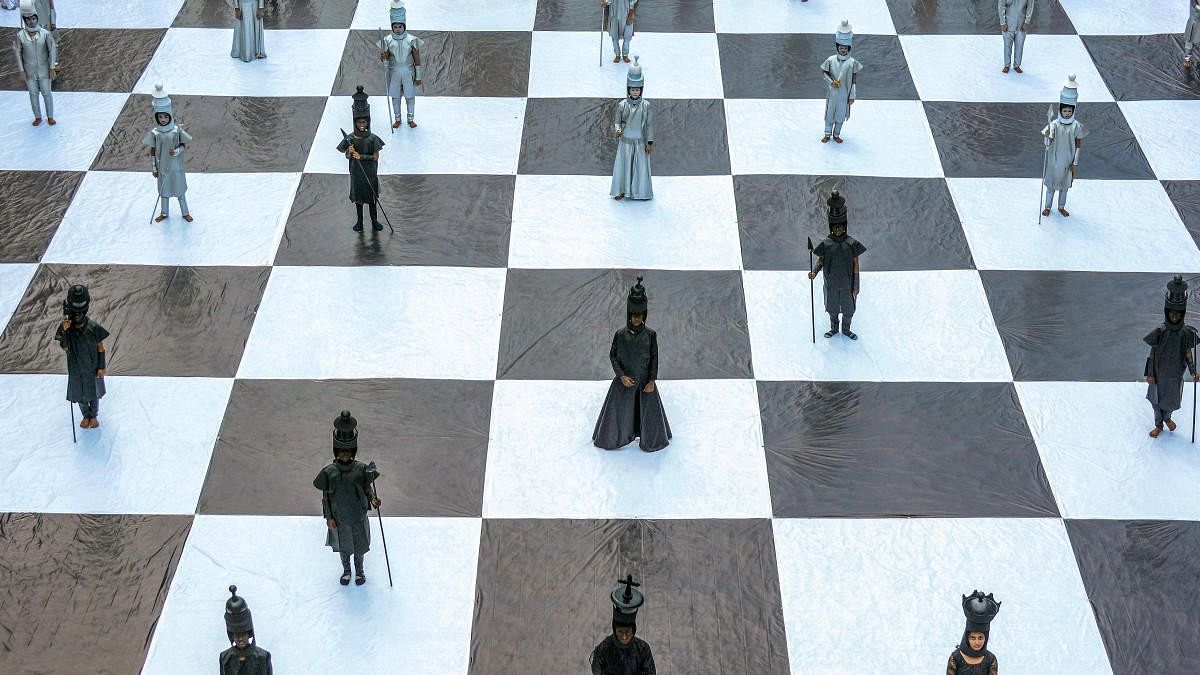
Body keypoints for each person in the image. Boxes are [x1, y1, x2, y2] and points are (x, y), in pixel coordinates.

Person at [593, 277, 672, 452]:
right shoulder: (620, 335)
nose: (636, 319)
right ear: (629, 315)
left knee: (648, 414)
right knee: (618, 414)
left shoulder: (650, 335)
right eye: (634, 316)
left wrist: (651, 380)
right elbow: (612, 355)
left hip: (645, 383)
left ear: (644, 315)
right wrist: (621, 376)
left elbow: (654, 358)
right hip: (624, 383)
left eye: (639, 316)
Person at [313, 411, 381, 586]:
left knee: (359, 547)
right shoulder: (329, 472)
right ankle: (346, 571)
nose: (344, 455)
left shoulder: (361, 469)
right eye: (341, 452)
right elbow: (325, 496)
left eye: (348, 452)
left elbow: (367, 488)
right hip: (340, 518)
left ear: (353, 452)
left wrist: (373, 499)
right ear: (337, 451)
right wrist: (329, 517)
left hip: (358, 516)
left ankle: (360, 571)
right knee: (344, 548)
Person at [1144, 276, 1199, 438]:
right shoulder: (1160, 331)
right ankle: (1158, 425)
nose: (1174, 317)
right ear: (1167, 312)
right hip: (1158, 373)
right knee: (1156, 401)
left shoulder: (1186, 333)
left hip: (1175, 374)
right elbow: (1152, 352)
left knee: (1170, 401)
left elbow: (1188, 353)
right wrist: (1150, 374)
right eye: (1172, 314)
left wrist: (1193, 371)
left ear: (1181, 314)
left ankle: (1167, 418)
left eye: (1177, 314)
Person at [809, 190, 867, 340]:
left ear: (844, 226)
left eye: (840, 226)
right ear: (832, 228)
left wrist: (856, 285)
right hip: (832, 283)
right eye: (835, 227)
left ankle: (846, 329)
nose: (838, 229)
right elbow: (821, 260)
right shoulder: (826, 244)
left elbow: (856, 264)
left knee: (848, 309)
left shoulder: (851, 243)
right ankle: (834, 328)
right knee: (833, 308)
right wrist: (814, 273)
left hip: (847, 283)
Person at [54, 285, 108, 430]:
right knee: (79, 394)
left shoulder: (93, 327)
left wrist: (102, 366)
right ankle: (85, 415)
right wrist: (65, 332)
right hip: (76, 367)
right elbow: (65, 347)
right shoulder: (66, 327)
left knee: (94, 393)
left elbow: (100, 347)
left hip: (92, 366)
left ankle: (94, 415)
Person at [336, 87, 386, 232]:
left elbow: (375, 157)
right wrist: (349, 152)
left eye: (364, 123)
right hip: (357, 174)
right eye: (359, 123)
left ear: (368, 122)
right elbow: (345, 154)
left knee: (371, 200)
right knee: (358, 201)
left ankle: (374, 221)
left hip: (370, 173)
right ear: (355, 123)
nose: (362, 125)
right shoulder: (350, 138)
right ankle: (359, 222)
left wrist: (361, 156)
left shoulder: (373, 138)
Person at [142, 84, 193, 223]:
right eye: (161, 117)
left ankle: (185, 212)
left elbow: (183, 145)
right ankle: (164, 213)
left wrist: (177, 151)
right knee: (164, 192)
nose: (163, 119)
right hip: (163, 167)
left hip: (175, 167)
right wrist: (154, 167)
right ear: (157, 118)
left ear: (169, 115)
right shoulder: (155, 133)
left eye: (165, 117)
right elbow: (152, 150)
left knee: (180, 191)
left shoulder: (176, 131)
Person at [1040, 75, 1087, 217]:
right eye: (1065, 111)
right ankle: (1047, 207)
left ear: (1073, 111)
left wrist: (1076, 162)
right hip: (1054, 161)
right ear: (1061, 110)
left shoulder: (1076, 126)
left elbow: (1079, 143)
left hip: (1068, 161)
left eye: (1069, 111)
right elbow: (1048, 143)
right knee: (1051, 187)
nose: (1067, 113)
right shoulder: (1054, 125)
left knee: (1064, 188)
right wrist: (1047, 135)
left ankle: (1061, 206)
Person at [590, 575, 656, 675]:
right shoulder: (603, 650)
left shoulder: (643, 649)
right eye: (620, 631)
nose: (624, 636)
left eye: (627, 631)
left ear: (633, 630)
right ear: (614, 630)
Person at [610, 56, 654, 201]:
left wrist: (649, 142)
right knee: (623, 166)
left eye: (637, 90)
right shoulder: (622, 105)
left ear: (641, 90)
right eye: (633, 89)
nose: (635, 92)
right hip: (625, 141)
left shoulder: (646, 105)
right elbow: (617, 121)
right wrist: (618, 130)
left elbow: (649, 124)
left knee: (640, 168)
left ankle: (640, 192)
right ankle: (622, 190)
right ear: (629, 89)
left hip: (639, 142)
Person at [13, 0, 58, 127]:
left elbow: (52, 49)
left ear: (36, 18)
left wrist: (51, 67)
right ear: (25, 20)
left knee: (46, 93)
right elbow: (17, 52)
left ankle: (50, 116)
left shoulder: (45, 34)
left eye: (33, 18)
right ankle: (37, 116)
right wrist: (21, 71)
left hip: (44, 69)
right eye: (28, 19)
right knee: (33, 94)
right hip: (29, 70)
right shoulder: (20, 35)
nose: (30, 21)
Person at [379, 0, 423, 129]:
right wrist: (383, 57)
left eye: (400, 27)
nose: (398, 29)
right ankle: (397, 118)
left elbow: (417, 58)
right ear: (392, 26)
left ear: (404, 26)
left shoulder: (412, 40)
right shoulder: (387, 40)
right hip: (394, 73)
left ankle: (410, 118)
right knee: (395, 97)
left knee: (410, 96)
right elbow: (386, 57)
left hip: (408, 72)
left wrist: (418, 76)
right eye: (395, 27)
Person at [220, 585, 273, 675]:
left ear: (249, 633)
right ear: (231, 635)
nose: (240, 639)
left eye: (243, 634)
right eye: (237, 634)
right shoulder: (225, 658)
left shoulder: (263, 657)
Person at [947, 590, 1000, 675]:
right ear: (967, 638)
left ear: (985, 639)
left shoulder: (990, 660)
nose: (977, 642)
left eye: (980, 638)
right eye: (973, 638)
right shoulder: (955, 658)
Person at [999, 0, 1035, 74]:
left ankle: (1017, 65)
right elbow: (1001, 6)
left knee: (1019, 46)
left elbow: (1030, 7)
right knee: (1007, 46)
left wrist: (1026, 22)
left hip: (1021, 25)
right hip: (1008, 24)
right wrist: (1003, 23)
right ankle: (1007, 65)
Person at [1185, 0, 1200, 69]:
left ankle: (1187, 59)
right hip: (1196, 15)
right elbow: (1193, 2)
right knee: (1190, 38)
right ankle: (1187, 60)